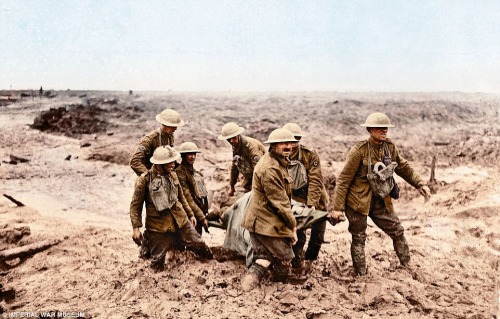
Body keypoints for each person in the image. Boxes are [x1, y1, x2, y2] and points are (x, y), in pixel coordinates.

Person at [332, 112, 431, 276]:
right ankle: (360, 273)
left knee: (397, 230)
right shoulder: (359, 151)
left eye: (385, 128)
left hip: (381, 201)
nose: (383, 131)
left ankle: (407, 265)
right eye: (379, 128)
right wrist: (337, 208)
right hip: (358, 202)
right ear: (370, 130)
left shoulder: (390, 147)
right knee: (359, 237)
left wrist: (419, 183)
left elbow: (403, 167)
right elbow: (343, 180)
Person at [240, 128, 305, 292]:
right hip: (264, 221)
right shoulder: (270, 168)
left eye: (290, 143)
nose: (288, 146)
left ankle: (247, 288)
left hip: (260, 219)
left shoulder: (277, 162)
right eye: (283, 143)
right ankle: (280, 285)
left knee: (264, 258)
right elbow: (281, 202)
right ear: (273, 146)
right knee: (285, 256)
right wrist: (292, 227)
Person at [130, 145, 212, 271]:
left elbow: (181, 197)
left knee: (200, 244)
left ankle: (212, 264)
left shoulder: (173, 175)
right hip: (158, 227)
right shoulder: (144, 180)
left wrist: (190, 214)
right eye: (169, 162)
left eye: (173, 161)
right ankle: (147, 247)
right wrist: (136, 228)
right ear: (159, 164)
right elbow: (136, 206)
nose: (173, 164)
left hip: (181, 221)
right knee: (157, 263)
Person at [282, 123, 335, 268]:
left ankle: (311, 259)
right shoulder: (279, 155)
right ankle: (297, 261)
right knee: (298, 231)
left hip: (316, 198)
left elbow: (315, 180)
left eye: (295, 141)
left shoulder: (309, 154)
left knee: (318, 234)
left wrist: (311, 204)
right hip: (295, 198)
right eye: (289, 141)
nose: (292, 145)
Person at [130, 109, 185, 176]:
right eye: (172, 126)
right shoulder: (150, 139)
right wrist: (149, 176)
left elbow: (169, 157)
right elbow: (134, 161)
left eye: (176, 126)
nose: (175, 128)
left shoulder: (170, 136)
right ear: (165, 124)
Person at [218, 122, 266, 196]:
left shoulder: (251, 146)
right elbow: (235, 166)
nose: (231, 141)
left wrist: (256, 189)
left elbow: (259, 170)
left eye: (233, 138)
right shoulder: (236, 146)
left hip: (264, 176)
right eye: (228, 139)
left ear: (238, 135)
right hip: (251, 177)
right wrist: (232, 186)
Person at [175, 142, 210, 235]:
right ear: (183, 156)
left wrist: (204, 213)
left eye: (194, 154)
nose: (193, 157)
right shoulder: (180, 173)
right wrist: (202, 217)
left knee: (198, 239)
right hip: (187, 213)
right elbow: (187, 197)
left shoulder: (194, 172)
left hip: (197, 211)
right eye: (189, 154)